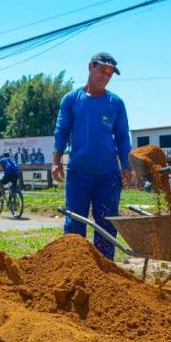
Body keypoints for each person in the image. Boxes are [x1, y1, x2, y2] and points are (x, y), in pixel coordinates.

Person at [53, 52, 133, 259]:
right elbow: (62, 130)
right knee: (75, 223)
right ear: (90, 67)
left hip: (108, 176)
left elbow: (123, 137)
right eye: (102, 70)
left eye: (110, 73)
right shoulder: (71, 100)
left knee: (106, 224)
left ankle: (104, 270)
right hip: (78, 173)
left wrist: (127, 166)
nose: (106, 76)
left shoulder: (116, 103)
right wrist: (56, 161)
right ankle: (72, 266)